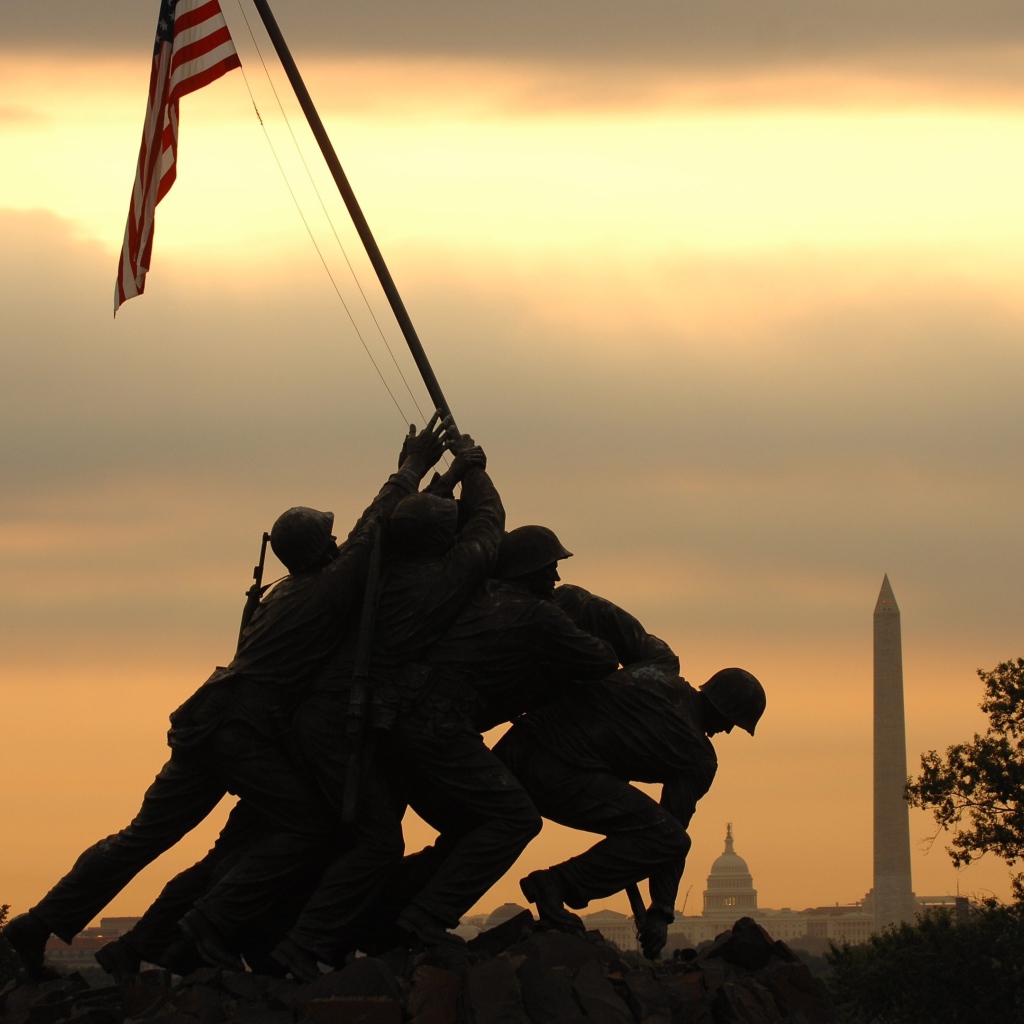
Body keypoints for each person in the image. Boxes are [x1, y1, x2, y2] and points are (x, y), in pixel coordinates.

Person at [2, 420, 448, 977]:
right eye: (329, 539)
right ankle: (207, 925)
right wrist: (411, 467)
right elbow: (372, 531)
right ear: (321, 548)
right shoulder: (324, 589)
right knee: (306, 826)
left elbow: (370, 537)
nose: (339, 544)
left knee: (141, 837)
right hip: (243, 729)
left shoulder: (279, 594)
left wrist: (430, 488)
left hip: (208, 719)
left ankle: (38, 921)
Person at [495, 664, 765, 959]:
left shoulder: (656, 671)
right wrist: (661, 910)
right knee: (669, 839)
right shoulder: (698, 756)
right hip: (556, 772)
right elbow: (673, 833)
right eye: (732, 721)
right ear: (722, 708)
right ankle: (555, 884)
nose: (727, 729)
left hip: (517, 744)